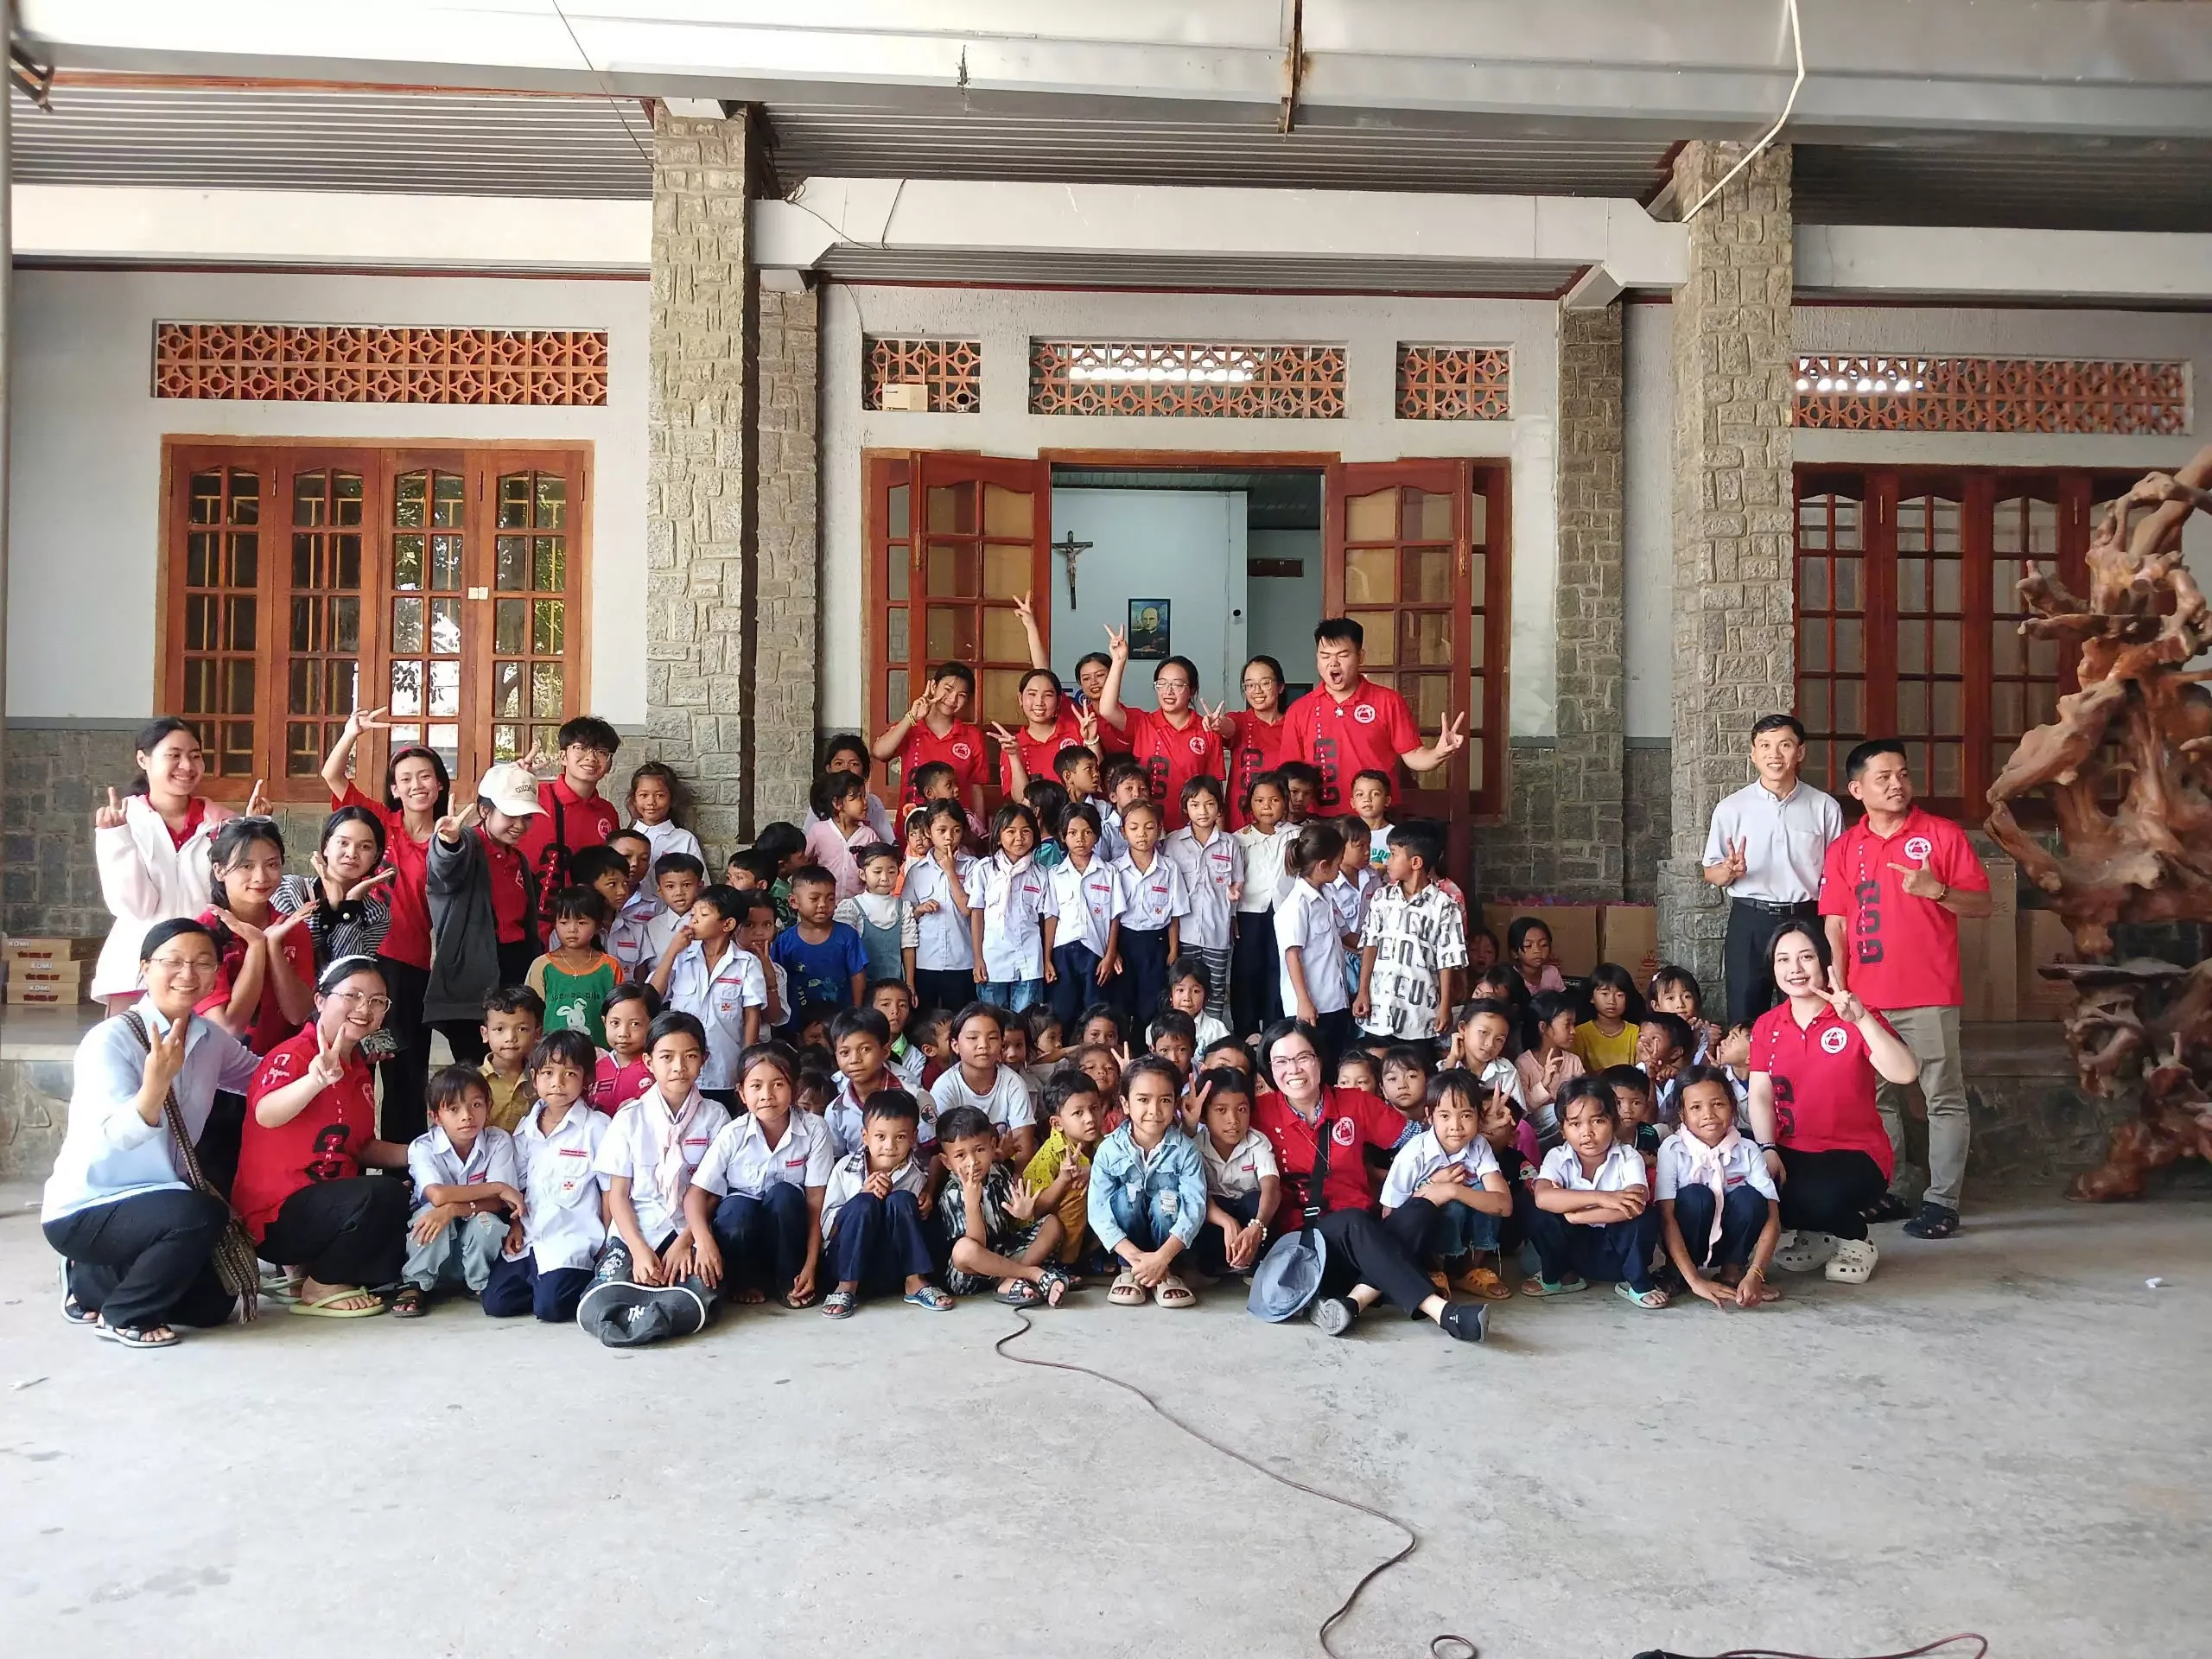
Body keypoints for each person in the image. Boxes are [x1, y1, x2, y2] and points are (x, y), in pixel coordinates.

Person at [41, 919, 264, 1348]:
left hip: (159, 1204)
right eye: (173, 961)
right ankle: (125, 1315)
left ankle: (89, 1279)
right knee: (201, 1213)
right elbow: (117, 1137)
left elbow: (259, 1080)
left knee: (210, 1308)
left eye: (203, 964)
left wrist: (318, 1062)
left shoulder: (208, 1037)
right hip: (90, 1206)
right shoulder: (109, 1040)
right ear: (145, 968)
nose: (188, 974)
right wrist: (155, 1085)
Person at [1819, 738, 1993, 1238]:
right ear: (1857, 790)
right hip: (1865, 1000)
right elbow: (1836, 922)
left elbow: (1982, 905)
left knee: (1942, 1098)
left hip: (1929, 993)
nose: (1897, 784)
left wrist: (1934, 890)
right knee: (1876, 1101)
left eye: (1903, 774)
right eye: (1883, 777)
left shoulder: (1940, 834)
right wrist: (1838, 979)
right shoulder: (1845, 848)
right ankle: (1891, 1190)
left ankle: (1942, 1203)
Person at [1249, 1020, 1488, 1342]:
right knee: (1352, 1221)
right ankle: (1443, 1313)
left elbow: (1422, 1139)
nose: (1294, 1069)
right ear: (1269, 1068)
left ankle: (1352, 1302)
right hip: (1308, 1249)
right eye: (1281, 1061)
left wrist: (1487, 1138)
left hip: (1368, 1241)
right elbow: (1217, 1144)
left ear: (1320, 1060)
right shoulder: (1258, 1112)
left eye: (1303, 1057)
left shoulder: (1354, 1103)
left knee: (1421, 1208)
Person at [233, 957, 416, 1319]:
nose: (365, 1008)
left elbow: (361, 1147)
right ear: (320, 1001)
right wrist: (314, 1081)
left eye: (377, 1000)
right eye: (353, 996)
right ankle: (323, 1283)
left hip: (325, 1210)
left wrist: (431, 1151)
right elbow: (266, 1113)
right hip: (277, 1215)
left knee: (405, 1230)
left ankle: (309, 1272)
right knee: (384, 1194)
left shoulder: (358, 1067)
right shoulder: (292, 1054)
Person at [1750, 920, 1924, 1286]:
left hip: (1855, 1154)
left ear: (1825, 963)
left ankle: (1855, 1239)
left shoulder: (1855, 1016)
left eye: (1806, 957)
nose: (1795, 969)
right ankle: (1817, 1235)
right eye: (1783, 960)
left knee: (1814, 1196)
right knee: (1749, 1184)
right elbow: (1762, 1095)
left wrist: (1860, 1020)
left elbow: (1905, 1073)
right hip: (1792, 1147)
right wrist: (1766, 1148)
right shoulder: (1768, 1025)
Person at [320, 708, 450, 1142]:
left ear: (440, 784)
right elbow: (332, 774)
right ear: (394, 789)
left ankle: (404, 1166)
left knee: (404, 1070)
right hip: (363, 957)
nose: (417, 785)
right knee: (349, 1059)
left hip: (412, 968)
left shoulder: (450, 838)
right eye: (407, 778)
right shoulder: (380, 823)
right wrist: (351, 732)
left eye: (426, 776)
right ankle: (343, 1150)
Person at [1702, 713, 1847, 1027]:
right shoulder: (1732, 807)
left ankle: (1800, 1076)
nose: (1775, 754)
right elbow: (1709, 873)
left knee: (1807, 1009)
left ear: (1800, 752)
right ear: (1753, 754)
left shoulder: (1824, 807)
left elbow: (1838, 875)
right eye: (1765, 745)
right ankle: (1749, 1077)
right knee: (1745, 1012)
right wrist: (1728, 871)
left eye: (1785, 745)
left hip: (1806, 919)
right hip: (1750, 921)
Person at [92, 717, 240, 1009]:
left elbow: (236, 899)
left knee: (203, 1052)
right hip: (139, 970)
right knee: (133, 1051)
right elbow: (135, 907)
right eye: (173, 755)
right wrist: (117, 839)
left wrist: (255, 831)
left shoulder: (224, 822)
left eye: (195, 756)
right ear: (143, 760)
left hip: (204, 969)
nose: (187, 765)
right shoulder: (125, 819)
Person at [587, 1010, 729, 1306]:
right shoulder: (630, 1118)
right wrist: (638, 1250)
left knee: (695, 1296)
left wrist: (686, 1242)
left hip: (686, 1228)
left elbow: (712, 1193)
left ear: (704, 1059)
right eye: (667, 1057)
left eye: (690, 1056)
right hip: (637, 1230)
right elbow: (619, 1196)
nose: (679, 1067)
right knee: (605, 1299)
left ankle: (656, 1317)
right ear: (648, 1061)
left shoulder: (715, 1117)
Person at [689, 1044, 834, 1308]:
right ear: (741, 1093)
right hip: (745, 1234)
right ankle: (746, 1281)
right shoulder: (732, 1133)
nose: (767, 1095)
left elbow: (816, 1204)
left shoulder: (815, 1129)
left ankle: (789, 1280)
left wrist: (812, 1265)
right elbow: (695, 1195)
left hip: (789, 1234)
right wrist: (703, 1240)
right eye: (756, 1086)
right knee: (736, 1208)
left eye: (778, 1084)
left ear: (795, 1088)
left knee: (784, 1195)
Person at [483, 1029, 608, 1322]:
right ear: (535, 1077)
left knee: (550, 1310)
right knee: (496, 1303)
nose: (557, 1083)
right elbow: (517, 1188)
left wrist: (606, 1246)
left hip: (572, 1241)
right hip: (529, 1237)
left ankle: (572, 1283)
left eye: (569, 1074)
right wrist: (514, 1227)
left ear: (586, 1079)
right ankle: (543, 1284)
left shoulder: (597, 1128)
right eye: (548, 1073)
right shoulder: (526, 1129)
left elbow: (610, 1191)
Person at [1281, 618, 1466, 814]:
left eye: (1342, 655)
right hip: (1320, 820)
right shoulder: (1300, 709)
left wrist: (1438, 753)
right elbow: (1290, 772)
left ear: (1360, 656)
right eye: (1325, 656)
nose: (1333, 663)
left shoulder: (1388, 700)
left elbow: (1412, 755)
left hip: (1379, 819)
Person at [424, 764, 540, 1058]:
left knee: (512, 1069)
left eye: (526, 817)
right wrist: (447, 842)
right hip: (472, 981)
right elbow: (443, 870)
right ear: (484, 811)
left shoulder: (518, 858)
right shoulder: (468, 845)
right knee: (476, 1074)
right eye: (511, 815)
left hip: (513, 973)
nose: (520, 825)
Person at [1523, 1076, 1666, 1308]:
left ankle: (1637, 1284)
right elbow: (1542, 1197)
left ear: (1614, 1122)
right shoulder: (1557, 1157)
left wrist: (1575, 1215)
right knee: (1535, 1211)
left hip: (1618, 1257)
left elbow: (1635, 1205)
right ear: (1563, 1129)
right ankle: (1561, 1278)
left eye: (1597, 1121)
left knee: (1646, 1217)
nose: (1587, 1133)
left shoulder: (1629, 1157)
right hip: (1572, 1254)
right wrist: (1604, 1197)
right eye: (1575, 1124)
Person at [395, 1065, 521, 1316]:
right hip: (437, 1243)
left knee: (488, 1223)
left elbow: (500, 1203)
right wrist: (498, 1187)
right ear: (436, 1116)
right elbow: (438, 1195)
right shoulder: (423, 1147)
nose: (467, 1116)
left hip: (474, 1227)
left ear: (489, 1105)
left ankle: (478, 1283)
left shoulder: (498, 1141)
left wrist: (454, 1209)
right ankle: (416, 1282)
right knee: (430, 1214)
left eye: (476, 1105)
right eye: (453, 1109)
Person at [1379, 1069, 1516, 1301]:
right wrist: (1431, 1189)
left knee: (1482, 1195)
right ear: (1429, 1116)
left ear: (1479, 1116)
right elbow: (1390, 1214)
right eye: (1445, 1116)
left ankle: (1469, 1270)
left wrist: (1452, 1190)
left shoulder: (1479, 1145)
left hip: (1461, 1224)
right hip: (1423, 1237)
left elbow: (1504, 1205)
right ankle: (1435, 1270)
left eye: (1465, 1115)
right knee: (1451, 1208)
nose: (1456, 1126)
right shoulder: (1414, 1154)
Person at [1656, 1064, 1782, 1310]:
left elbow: (1772, 1218)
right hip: (1687, 1238)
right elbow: (1666, 1217)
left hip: (1728, 1237)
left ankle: (1734, 1272)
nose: (1709, 1114)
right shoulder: (1672, 1149)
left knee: (1750, 1198)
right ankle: (1679, 1273)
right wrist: (1696, 1281)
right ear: (1682, 1115)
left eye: (1718, 1104)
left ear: (1732, 1107)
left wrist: (1756, 1274)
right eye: (1696, 1107)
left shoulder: (1747, 1149)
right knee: (1696, 1196)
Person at [1089, 1057, 1209, 1309]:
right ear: (1126, 1104)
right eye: (1143, 1100)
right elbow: (1098, 1212)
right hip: (1128, 1253)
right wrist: (1137, 1259)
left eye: (1165, 1100)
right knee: (1126, 1197)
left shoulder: (1186, 1151)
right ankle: (1130, 1271)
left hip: (1168, 1251)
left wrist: (1162, 1258)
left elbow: (1194, 1209)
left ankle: (1167, 1272)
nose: (1154, 1110)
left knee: (1169, 1200)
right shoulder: (1109, 1150)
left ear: (1176, 1103)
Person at [818, 1089, 947, 1317]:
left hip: (891, 1265)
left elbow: (915, 1230)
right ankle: (847, 1286)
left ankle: (915, 1282)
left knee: (902, 1200)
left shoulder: (916, 1176)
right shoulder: (845, 1169)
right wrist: (862, 1195)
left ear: (913, 1137)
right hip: (848, 1261)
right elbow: (827, 1225)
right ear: (865, 1136)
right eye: (880, 1137)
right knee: (863, 1203)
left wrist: (909, 1205)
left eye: (900, 1137)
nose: (889, 1146)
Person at [198, 817, 316, 1058]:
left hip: (279, 1064)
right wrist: (256, 946)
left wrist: (273, 946)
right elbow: (230, 1028)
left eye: (272, 865)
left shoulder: (291, 927)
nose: (261, 877)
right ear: (219, 870)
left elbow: (298, 1014)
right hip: (218, 1070)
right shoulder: (200, 934)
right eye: (246, 866)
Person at [937, 1104, 1073, 1306]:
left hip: (1005, 1254)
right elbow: (976, 1247)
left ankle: (1010, 1280)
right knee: (963, 1249)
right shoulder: (953, 1193)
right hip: (973, 1274)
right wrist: (972, 1204)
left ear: (993, 1146)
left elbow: (1016, 1214)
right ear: (947, 1162)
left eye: (980, 1150)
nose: (972, 1162)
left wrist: (1023, 1213)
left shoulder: (998, 1173)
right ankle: (1031, 1273)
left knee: (1052, 1223)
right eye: (960, 1155)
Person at [1096, 630, 1228, 833]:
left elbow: (1215, 793)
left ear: (1192, 690)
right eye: (1162, 684)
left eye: (1177, 685)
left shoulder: (1207, 730)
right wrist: (1119, 660)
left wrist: (1219, 838)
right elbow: (1106, 709)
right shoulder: (1143, 723)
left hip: (1191, 833)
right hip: (1147, 832)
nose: (1168, 691)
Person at [650, 882, 768, 1107]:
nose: (693, 920)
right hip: (678, 1070)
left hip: (724, 1071)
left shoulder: (746, 964)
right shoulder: (681, 957)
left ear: (728, 924)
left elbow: (752, 1018)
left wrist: (747, 1069)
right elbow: (653, 995)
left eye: (703, 914)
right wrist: (672, 950)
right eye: (692, 914)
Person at [1355, 821, 1467, 1046]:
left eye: (1393, 855)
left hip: (1420, 1014)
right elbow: (1370, 944)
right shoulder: (1381, 898)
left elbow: (1448, 959)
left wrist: (1445, 1005)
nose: (1387, 862)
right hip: (1380, 1007)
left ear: (1416, 862)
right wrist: (1362, 991)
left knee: (1414, 1071)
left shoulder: (1444, 906)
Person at [516, 715, 624, 922]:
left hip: (583, 927)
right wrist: (509, 783)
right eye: (581, 748)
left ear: (609, 764)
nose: (591, 758)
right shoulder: (534, 797)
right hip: (530, 922)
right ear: (563, 756)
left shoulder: (607, 812)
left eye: (601, 752)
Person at [271, 805, 397, 970]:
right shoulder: (289, 889)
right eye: (343, 842)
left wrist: (348, 907)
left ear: (376, 856)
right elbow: (290, 954)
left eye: (365, 847)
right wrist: (330, 907)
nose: (352, 853)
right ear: (326, 846)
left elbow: (347, 970)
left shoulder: (376, 914)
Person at [1163, 776, 1243, 1027]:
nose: (1203, 811)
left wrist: (1233, 913)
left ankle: (1213, 1036)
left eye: (1210, 804)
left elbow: (1236, 885)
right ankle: (1182, 1032)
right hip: (1184, 933)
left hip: (1217, 931)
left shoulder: (1231, 844)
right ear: (1185, 807)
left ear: (1219, 807)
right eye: (1195, 805)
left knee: (1215, 986)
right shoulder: (1173, 842)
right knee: (1183, 987)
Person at [1041, 801, 1125, 1031]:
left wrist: (1110, 955)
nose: (1080, 839)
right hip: (1063, 953)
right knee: (1063, 1011)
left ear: (1097, 836)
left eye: (1087, 832)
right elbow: (1051, 917)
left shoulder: (1109, 873)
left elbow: (1114, 918)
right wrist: (1047, 959)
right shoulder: (1055, 875)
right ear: (1063, 836)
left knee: (1095, 1011)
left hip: (1095, 953)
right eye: (1073, 833)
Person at [1191, 1066, 1277, 1278]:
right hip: (1216, 1222)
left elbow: (1271, 1187)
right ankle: (1211, 1266)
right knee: (1200, 1205)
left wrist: (1257, 1225)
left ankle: (1256, 1264)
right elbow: (1195, 1193)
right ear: (1203, 1115)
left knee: (1256, 1201)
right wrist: (1226, 1221)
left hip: (1252, 1224)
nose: (1233, 1120)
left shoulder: (1256, 1142)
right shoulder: (1195, 1146)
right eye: (1221, 1110)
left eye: (1242, 1109)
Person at [1277, 821, 1353, 1062]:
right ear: (1323, 865)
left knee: (1334, 1060)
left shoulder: (1327, 894)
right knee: (1315, 1062)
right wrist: (1304, 1001)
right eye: (1338, 863)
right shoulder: (1297, 904)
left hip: (1335, 999)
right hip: (1313, 1005)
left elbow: (1344, 935)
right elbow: (1292, 955)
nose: (1340, 869)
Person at [968, 802, 1052, 1013]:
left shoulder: (1041, 873)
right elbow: (977, 914)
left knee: (1026, 1023)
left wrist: (1046, 959)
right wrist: (977, 958)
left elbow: (1047, 919)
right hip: (992, 959)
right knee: (992, 1022)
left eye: (1026, 831)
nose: (1019, 838)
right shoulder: (984, 869)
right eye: (1011, 831)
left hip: (1029, 961)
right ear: (998, 835)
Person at [872, 660, 988, 812]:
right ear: (933, 686)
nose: (953, 699)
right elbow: (879, 753)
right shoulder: (911, 727)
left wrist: (979, 830)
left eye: (961, 695)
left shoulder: (973, 737)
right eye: (948, 689)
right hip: (912, 830)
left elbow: (976, 788)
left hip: (954, 831)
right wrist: (911, 717)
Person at [931, 1001, 1039, 1165]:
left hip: (1005, 1168)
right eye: (973, 1038)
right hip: (959, 1170)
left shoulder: (1013, 1083)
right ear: (955, 1045)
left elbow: (1023, 1143)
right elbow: (941, 1148)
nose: (984, 1045)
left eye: (993, 1038)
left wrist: (1018, 1180)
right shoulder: (944, 1087)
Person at [1111, 798, 1187, 1025]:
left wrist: (1173, 950)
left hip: (1156, 942)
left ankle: (1148, 1053)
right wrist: (1112, 950)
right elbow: (1110, 917)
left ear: (1160, 829)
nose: (1142, 834)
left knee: (1152, 1002)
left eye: (1149, 827)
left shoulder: (1169, 868)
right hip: (1124, 941)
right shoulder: (1115, 869)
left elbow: (1175, 914)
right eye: (1134, 828)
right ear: (1123, 832)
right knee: (1122, 1002)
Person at [1230, 771, 1294, 1040]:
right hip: (1249, 914)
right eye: (1259, 800)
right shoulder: (1239, 839)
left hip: (1284, 914)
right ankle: (1245, 1031)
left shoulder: (1297, 836)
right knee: (1246, 970)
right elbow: (1232, 880)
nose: (1267, 806)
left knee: (1277, 970)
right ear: (1250, 804)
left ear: (1285, 801)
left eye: (1274, 799)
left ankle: (1274, 1030)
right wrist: (1231, 916)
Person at [828, 1006, 938, 1158]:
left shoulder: (916, 1097)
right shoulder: (835, 1111)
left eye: (865, 1049)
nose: (854, 1060)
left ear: (885, 1051)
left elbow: (933, 1153)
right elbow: (837, 1159)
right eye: (845, 1052)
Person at [1025, 1068, 1106, 1268]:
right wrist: (1063, 1179)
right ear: (1057, 1123)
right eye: (1078, 1113)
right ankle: (1064, 1265)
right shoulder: (1050, 1155)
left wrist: (1096, 1172)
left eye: (1094, 1108)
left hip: (1083, 1231)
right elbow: (1035, 1210)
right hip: (1041, 1237)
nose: (1090, 1118)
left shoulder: (1104, 1145)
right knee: (1078, 1192)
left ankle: (1095, 1256)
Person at [906, 800, 980, 1016]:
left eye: (956, 830)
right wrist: (919, 910)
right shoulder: (916, 871)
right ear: (929, 832)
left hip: (962, 960)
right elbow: (907, 916)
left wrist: (951, 872)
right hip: (926, 960)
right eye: (942, 830)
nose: (949, 837)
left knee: (960, 1019)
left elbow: (968, 910)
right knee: (926, 1021)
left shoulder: (974, 867)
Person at [526, 887, 620, 1045]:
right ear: (555, 924)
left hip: (600, 1053)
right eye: (564, 922)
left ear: (597, 926)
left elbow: (620, 1013)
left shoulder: (610, 966)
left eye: (582, 922)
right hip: (552, 1056)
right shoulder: (542, 966)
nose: (572, 929)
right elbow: (530, 1014)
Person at [772, 867, 868, 1016]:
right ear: (793, 901)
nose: (823, 904)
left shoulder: (847, 936)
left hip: (841, 1021)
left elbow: (857, 975)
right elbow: (777, 981)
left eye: (830, 899)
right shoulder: (784, 942)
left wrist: (856, 1013)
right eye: (814, 898)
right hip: (797, 1022)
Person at [1220, 655, 1293, 830]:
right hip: (1240, 823)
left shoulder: (1294, 723)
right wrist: (1218, 725)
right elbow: (1227, 727)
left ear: (1280, 686)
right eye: (1250, 685)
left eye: (1265, 683)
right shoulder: (1238, 721)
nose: (1257, 691)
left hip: (1284, 824)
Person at [836, 843, 918, 988]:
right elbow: (842, 949)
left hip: (895, 985)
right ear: (863, 874)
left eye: (891, 872)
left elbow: (908, 947)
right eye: (877, 872)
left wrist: (910, 983)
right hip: (861, 987)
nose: (885, 878)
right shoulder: (852, 907)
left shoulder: (903, 908)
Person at [1515, 990, 1584, 1145]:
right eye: (1567, 1025)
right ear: (1543, 1027)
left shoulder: (1574, 1061)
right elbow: (1523, 1109)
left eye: (1574, 1024)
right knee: (1556, 1113)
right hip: (1538, 1132)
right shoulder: (1524, 1063)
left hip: (1571, 1125)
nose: (1573, 1031)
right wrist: (1544, 1083)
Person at [804, 734, 899, 844]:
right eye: (839, 763)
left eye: (854, 764)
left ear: (865, 771)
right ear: (829, 769)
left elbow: (888, 843)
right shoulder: (821, 802)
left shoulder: (873, 804)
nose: (846, 769)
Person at [477, 985, 543, 1133]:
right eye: (500, 1029)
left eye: (522, 1029)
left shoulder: (542, 1080)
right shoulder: (472, 1081)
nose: (511, 1038)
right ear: (485, 1034)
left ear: (538, 1034)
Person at [625, 760, 704, 872]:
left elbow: (700, 884)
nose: (651, 802)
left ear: (672, 799)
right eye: (644, 795)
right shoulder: (625, 840)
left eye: (660, 795)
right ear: (634, 800)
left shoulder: (685, 840)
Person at [1574, 963, 1645, 1071]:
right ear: (1592, 997)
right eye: (1604, 994)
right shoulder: (1580, 1033)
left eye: (1619, 995)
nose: (1612, 1001)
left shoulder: (1636, 1032)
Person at [1507, 916, 1566, 996]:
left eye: (1543, 945)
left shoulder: (1552, 972)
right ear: (1515, 953)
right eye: (1528, 945)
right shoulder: (1510, 978)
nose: (1538, 951)